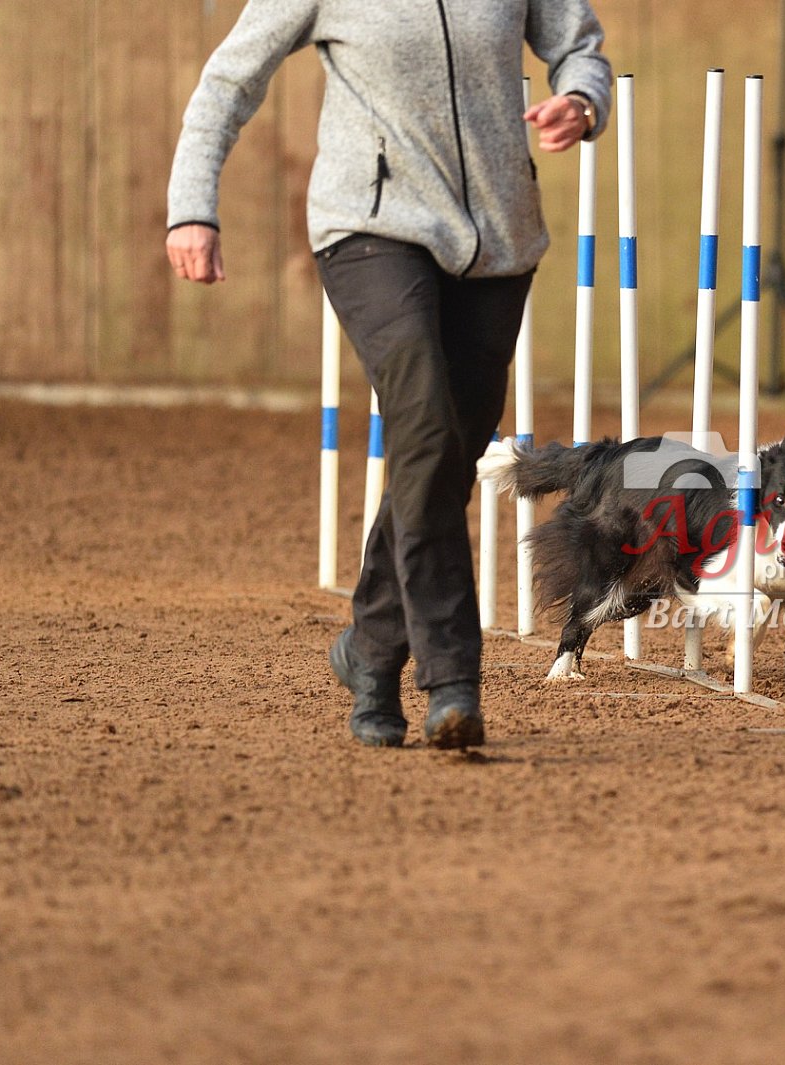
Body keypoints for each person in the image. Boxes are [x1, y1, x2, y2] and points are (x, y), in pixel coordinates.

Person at [165, 0, 612, 749]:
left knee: (443, 457)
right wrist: (191, 208)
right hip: (369, 230)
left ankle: (370, 652)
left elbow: (579, 46)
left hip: (499, 240)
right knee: (427, 429)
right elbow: (229, 80)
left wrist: (582, 100)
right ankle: (452, 677)